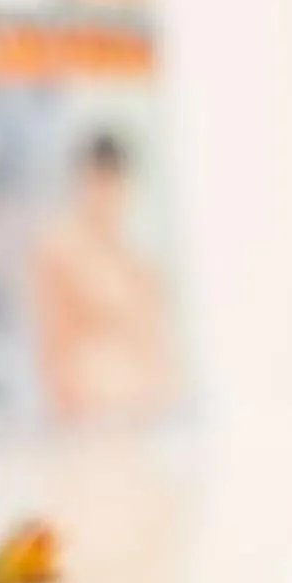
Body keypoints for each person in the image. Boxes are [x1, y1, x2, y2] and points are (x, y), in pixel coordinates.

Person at [29, 130, 178, 421]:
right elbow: (55, 347)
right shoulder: (61, 249)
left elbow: (158, 343)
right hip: (92, 412)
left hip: (145, 410)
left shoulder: (136, 259)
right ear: (84, 182)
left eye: (116, 183)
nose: (109, 195)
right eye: (100, 182)